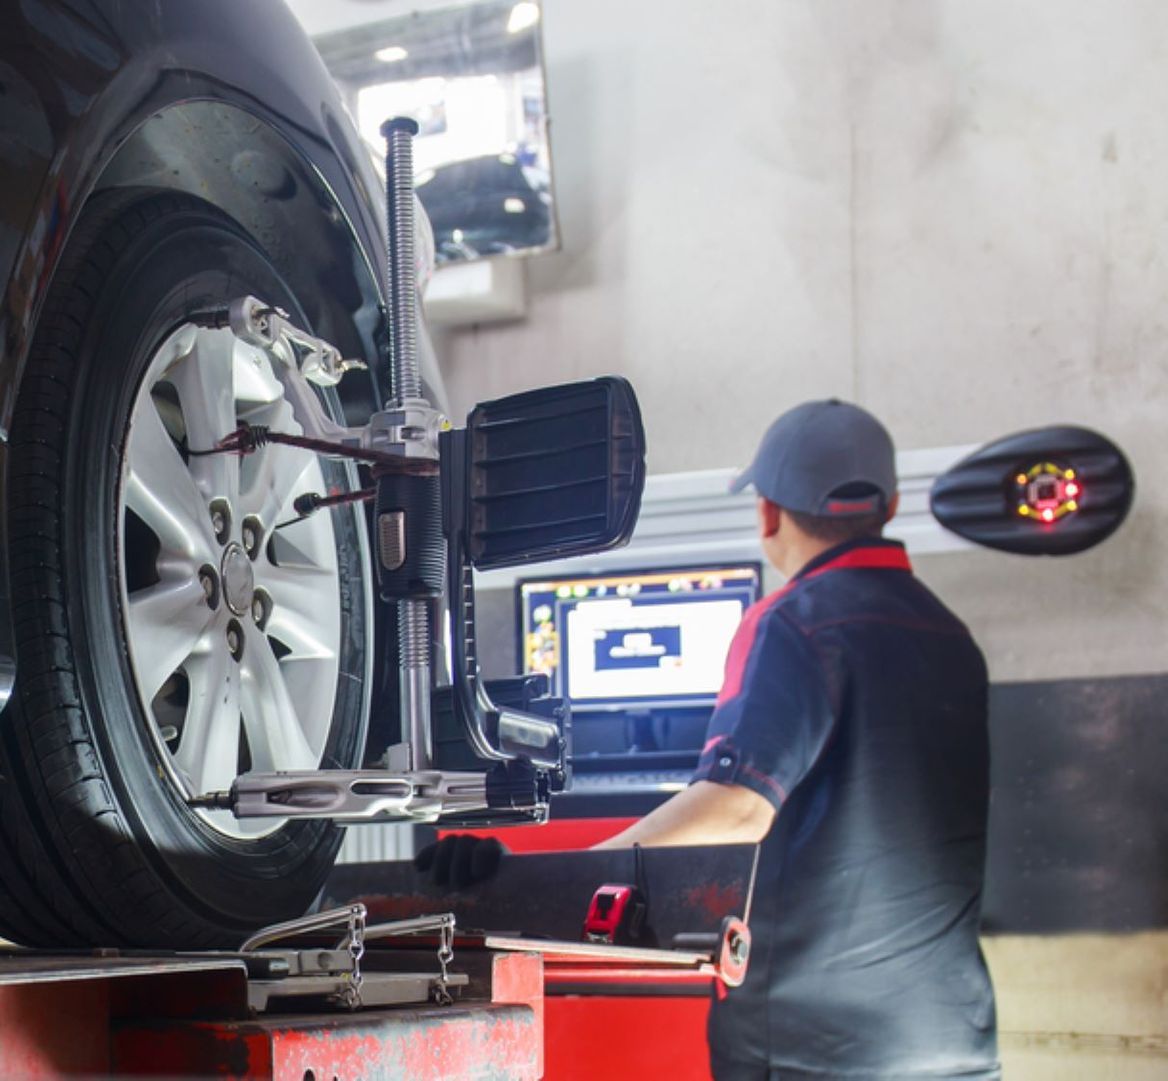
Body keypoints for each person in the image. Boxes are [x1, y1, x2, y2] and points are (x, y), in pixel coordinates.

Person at [595, 399, 1001, 1081]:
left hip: (813, 1050)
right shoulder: (953, 638)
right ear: (892, 503)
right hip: (953, 1039)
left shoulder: (792, 622)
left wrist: (576, 869)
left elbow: (738, 806)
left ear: (768, 513)